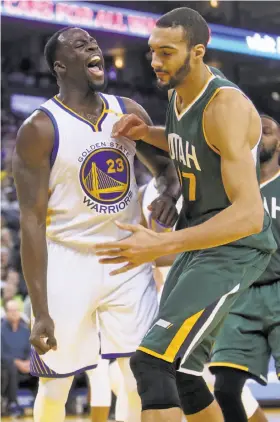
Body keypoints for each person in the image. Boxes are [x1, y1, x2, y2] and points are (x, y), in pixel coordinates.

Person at [95, 7, 277, 422]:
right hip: (202, 242)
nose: (156, 62)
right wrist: (147, 134)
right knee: (184, 374)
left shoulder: (224, 106)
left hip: (234, 248)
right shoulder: (180, 95)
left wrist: (163, 242)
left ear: (197, 52)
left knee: (151, 364)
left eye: (167, 53)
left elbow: (250, 215)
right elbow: (189, 141)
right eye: (152, 52)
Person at [12, 27, 180, 422]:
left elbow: (166, 171)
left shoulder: (128, 110)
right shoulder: (39, 129)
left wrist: (169, 197)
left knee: (141, 377)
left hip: (127, 257)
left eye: (93, 42)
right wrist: (40, 310)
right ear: (59, 66)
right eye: (79, 44)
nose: (93, 46)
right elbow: (32, 222)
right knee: (56, 385)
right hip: (69, 262)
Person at [209, 115, 280, 422]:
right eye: (254, 130)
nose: (260, 135)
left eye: (267, 130)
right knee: (225, 388)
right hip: (242, 294)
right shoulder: (229, 189)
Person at [1, 300, 37, 417]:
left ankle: (38, 404)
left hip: (25, 366)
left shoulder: (26, 331)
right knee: (10, 369)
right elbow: (1, 353)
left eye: (16, 310)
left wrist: (28, 361)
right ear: (6, 313)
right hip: (7, 366)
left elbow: (30, 350)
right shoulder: (1, 330)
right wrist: (17, 362)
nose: (14, 313)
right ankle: (12, 404)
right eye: (11, 311)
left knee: (40, 368)